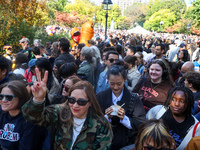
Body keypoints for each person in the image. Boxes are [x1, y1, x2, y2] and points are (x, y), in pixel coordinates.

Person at [22, 68, 113, 149]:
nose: (75, 105)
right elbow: (32, 117)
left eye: (81, 102)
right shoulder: (60, 112)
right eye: (72, 100)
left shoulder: (101, 125)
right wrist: (38, 100)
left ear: (90, 103)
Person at [96, 64, 146, 150]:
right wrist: (106, 118)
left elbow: (141, 124)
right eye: (112, 83)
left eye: (119, 83)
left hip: (127, 143)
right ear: (107, 79)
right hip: (103, 143)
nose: (115, 87)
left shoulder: (133, 98)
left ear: (125, 80)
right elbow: (93, 121)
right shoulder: (100, 96)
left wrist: (124, 118)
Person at [0, 80, 45, 150]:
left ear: (20, 98)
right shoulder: (1, 114)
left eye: (9, 97)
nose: (3, 100)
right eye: (1, 96)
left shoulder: (30, 120)